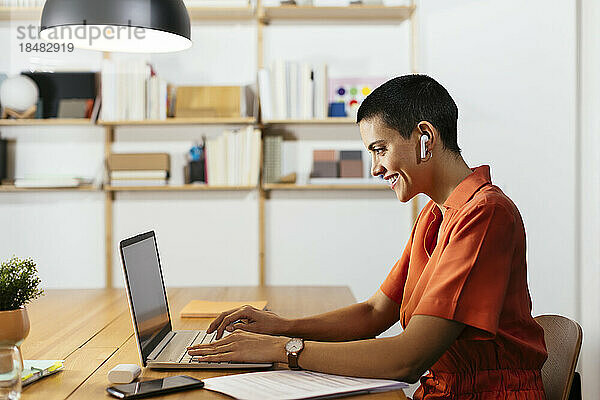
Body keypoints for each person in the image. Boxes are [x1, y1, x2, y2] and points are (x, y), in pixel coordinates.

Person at [187, 75, 548, 399]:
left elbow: (407, 359)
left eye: (379, 149)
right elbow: (374, 312)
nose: (375, 167)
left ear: (426, 138)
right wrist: (282, 326)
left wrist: (284, 349)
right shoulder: (435, 216)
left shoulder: (485, 214)